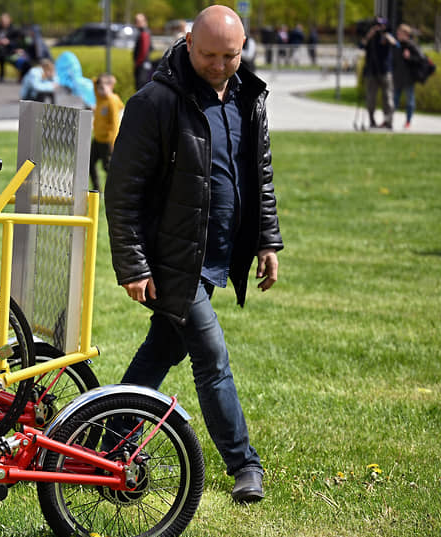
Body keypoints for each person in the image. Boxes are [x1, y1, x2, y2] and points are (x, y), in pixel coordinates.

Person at [104, 5, 282, 504]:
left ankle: (106, 442)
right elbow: (123, 193)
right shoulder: (155, 102)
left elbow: (259, 176)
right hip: (171, 261)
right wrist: (134, 265)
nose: (220, 65)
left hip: (218, 255)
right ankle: (244, 464)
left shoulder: (250, 95)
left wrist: (266, 240)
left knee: (162, 350)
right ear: (187, 41)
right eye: (209, 54)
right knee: (212, 357)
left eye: (231, 54)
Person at [359, 17, 396, 129]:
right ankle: (371, 120)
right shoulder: (370, 37)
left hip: (385, 72)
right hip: (371, 71)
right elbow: (361, 46)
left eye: (381, 26)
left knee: (388, 98)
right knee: (371, 98)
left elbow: (396, 45)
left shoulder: (388, 36)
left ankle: (388, 121)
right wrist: (369, 35)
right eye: (377, 25)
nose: (379, 28)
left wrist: (387, 36)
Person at [89, 73, 122, 192]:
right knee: (90, 163)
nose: (100, 91)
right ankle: (97, 189)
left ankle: (115, 190)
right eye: (99, 88)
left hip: (107, 141)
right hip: (97, 139)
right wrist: (101, 81)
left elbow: (115, 124)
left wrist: (113, 142)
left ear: (110, 87)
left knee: (107, 167)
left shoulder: (111, 101)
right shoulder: (100, 98)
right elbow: (94, 81)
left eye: (103, 88)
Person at [392, 24, 419, 129]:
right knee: (394, 100)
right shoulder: (397, 45)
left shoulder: (411, 45)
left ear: (406, 34)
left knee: (410, 101)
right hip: (398, 78)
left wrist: (410, 57)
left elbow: (419, 60)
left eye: (400, 33)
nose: (398, 34)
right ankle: (389, 120)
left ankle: (408, 121)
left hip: (408, 79)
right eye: (398, 33)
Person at [0, 13, 19, 81]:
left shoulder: (13, 29)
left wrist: (8, 42)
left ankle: (1, 75)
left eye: (5, 21)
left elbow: (16, 42)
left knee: (2, 57)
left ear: (9, 21)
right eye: (2, 21)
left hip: (9, 50)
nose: (3, 22)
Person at [133, 13, 152, 90]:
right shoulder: (143, 32)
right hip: (143, 65)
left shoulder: (144, 33)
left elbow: (144, 51)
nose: (137, 23)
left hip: (142, 66)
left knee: (141, 88)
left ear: (144, 22)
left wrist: (138, 63)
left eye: (139, 21)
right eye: (136, 21)